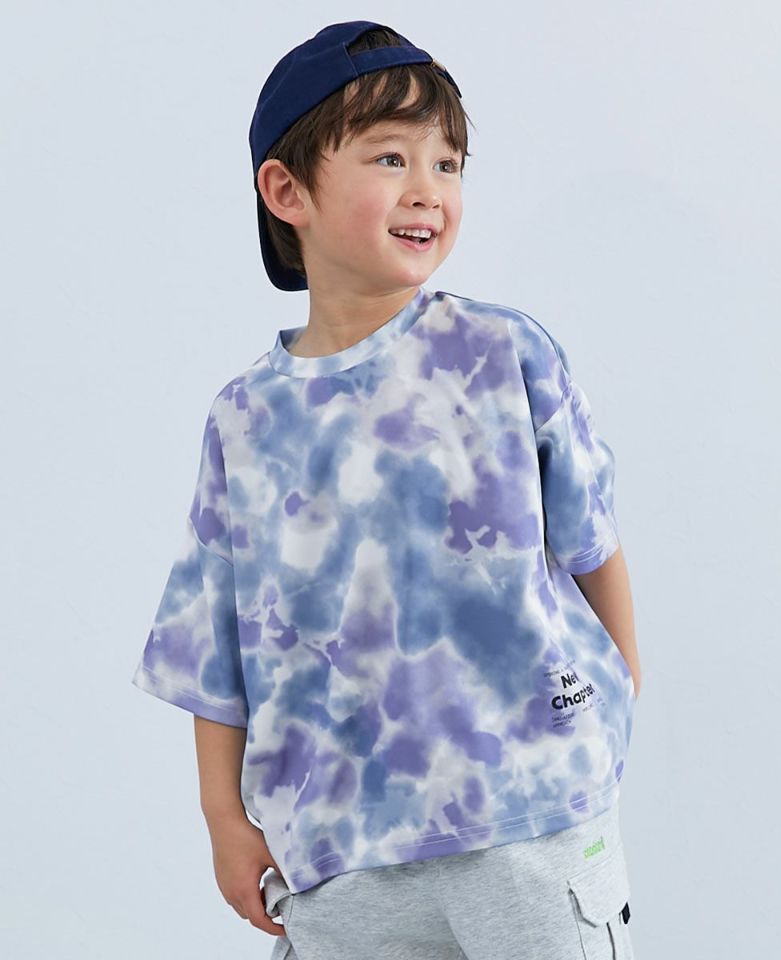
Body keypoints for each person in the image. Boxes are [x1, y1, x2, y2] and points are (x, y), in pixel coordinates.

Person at [131, 19, 642, 960]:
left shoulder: (500, 354)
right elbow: (213, 644)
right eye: (391, 158)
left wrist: (614, 700)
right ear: (287, 191)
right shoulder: (246, 420)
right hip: (339, 859)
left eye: (448, 164)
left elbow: (592, 544)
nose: (428, 189)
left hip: (527, 824)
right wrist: (222, 818)